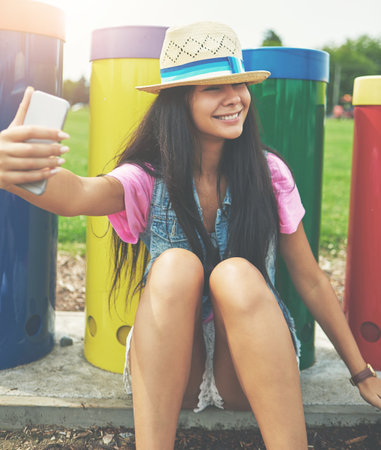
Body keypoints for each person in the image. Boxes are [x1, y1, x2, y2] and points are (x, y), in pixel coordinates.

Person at [0, 21, 380, 450]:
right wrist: (14, 169)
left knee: (235, 273)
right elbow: (80, 193)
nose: (234, 98)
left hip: (249, 365)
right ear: (180, 101)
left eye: (238, 84)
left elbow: (310, 278)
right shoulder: (147, 178)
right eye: (213, 88)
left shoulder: (269, 173)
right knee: (176, 266)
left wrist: (362, 373)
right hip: (172, 368)